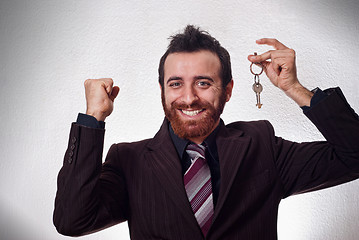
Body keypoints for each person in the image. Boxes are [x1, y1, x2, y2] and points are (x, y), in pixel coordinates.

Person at [53, 25, 359, 240]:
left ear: (227, 91)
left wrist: (294, 88)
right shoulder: (128, 159)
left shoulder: (261, 145)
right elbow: (72, 221)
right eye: (176, 84)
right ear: (162, 90)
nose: (188, 98)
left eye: (203, 83)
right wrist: (93, 119)